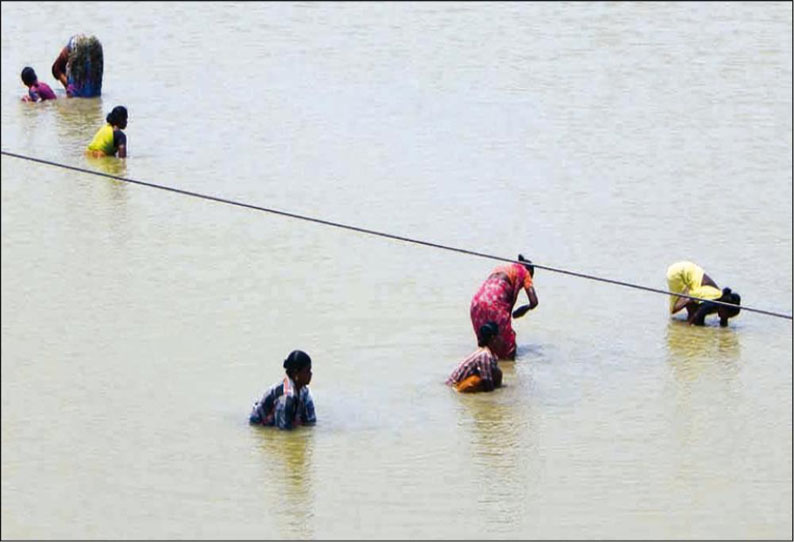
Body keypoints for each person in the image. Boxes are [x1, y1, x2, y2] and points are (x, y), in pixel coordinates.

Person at [470, 254, 538, 360]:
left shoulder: (501, 268)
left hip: (476, 303)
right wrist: (526, 308)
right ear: (529, 271)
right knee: (509, 347)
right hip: (495, 305)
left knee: (486, 343)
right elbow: (534, 302)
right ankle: (508, 373)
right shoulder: (524, 272)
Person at [249, 350, 316, 430]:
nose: (310, 374)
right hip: (260, 424)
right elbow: (283, 433)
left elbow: (311, 421)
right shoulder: (285, 397)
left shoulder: (304, 391)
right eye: (307, 371)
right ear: (296, 374)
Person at [666, 261, 741, 327]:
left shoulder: (722, 299)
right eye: (726, 315)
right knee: (675, 309)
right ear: (722, 308)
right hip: (677, 272)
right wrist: (691, 329)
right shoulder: (710, 304)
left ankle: (692, 295)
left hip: (689, 269)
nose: (726, 318)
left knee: (695, 304)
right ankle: (688, 293)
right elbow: (698, 317)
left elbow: (723, 321)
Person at [446, 322, 503, 393]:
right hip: (454, 386)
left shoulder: (492, 355)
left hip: (461, 382)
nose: (502, 339)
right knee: (475, 380)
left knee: (497, 373)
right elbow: (488, 384)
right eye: (499, 336)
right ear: (493, 338)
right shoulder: (485, 355)